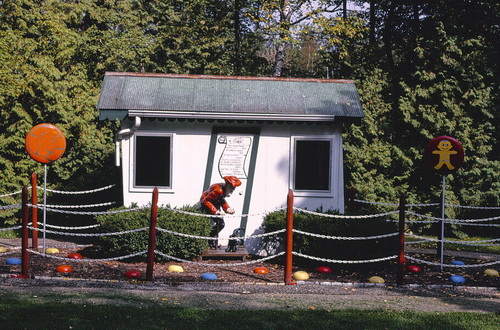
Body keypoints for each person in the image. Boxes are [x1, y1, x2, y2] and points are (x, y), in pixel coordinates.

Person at [199, 176, 242, 249]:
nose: (233, 189)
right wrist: (216, 211)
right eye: (232, 188)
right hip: (206, 205)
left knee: (221, 224)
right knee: (207, 223)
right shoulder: (219, 190)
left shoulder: (224, 190)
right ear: (227, 185)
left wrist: (228, 209)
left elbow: (221, 200)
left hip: (214, 203)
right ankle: (205, 241)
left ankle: (210, 239)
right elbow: (206, 201)